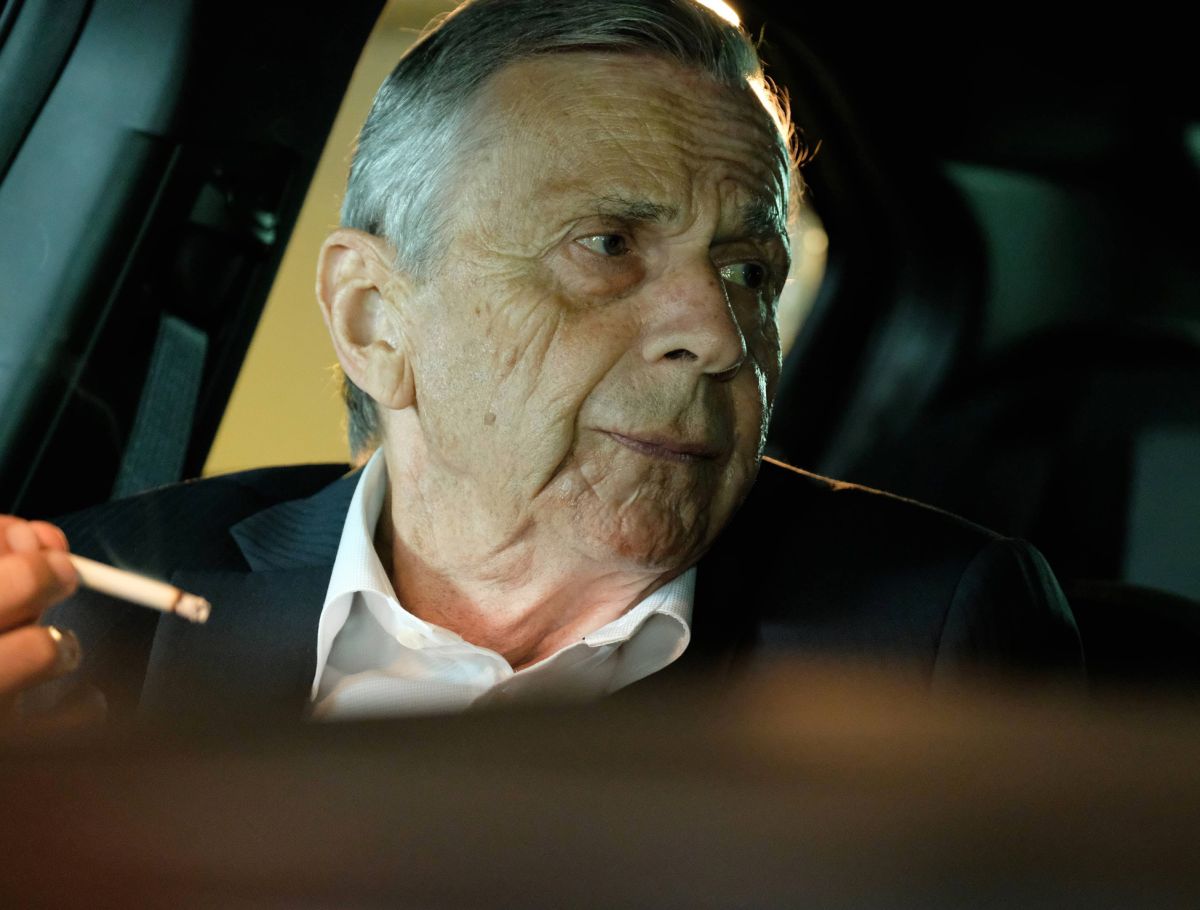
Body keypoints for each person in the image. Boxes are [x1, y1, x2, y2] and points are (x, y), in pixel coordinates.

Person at [4, 0, 1081, 728]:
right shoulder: (89, 604)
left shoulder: (927, 639)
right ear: (376, 320)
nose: (717, 335)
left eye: (750, 272)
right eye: (607, 246)